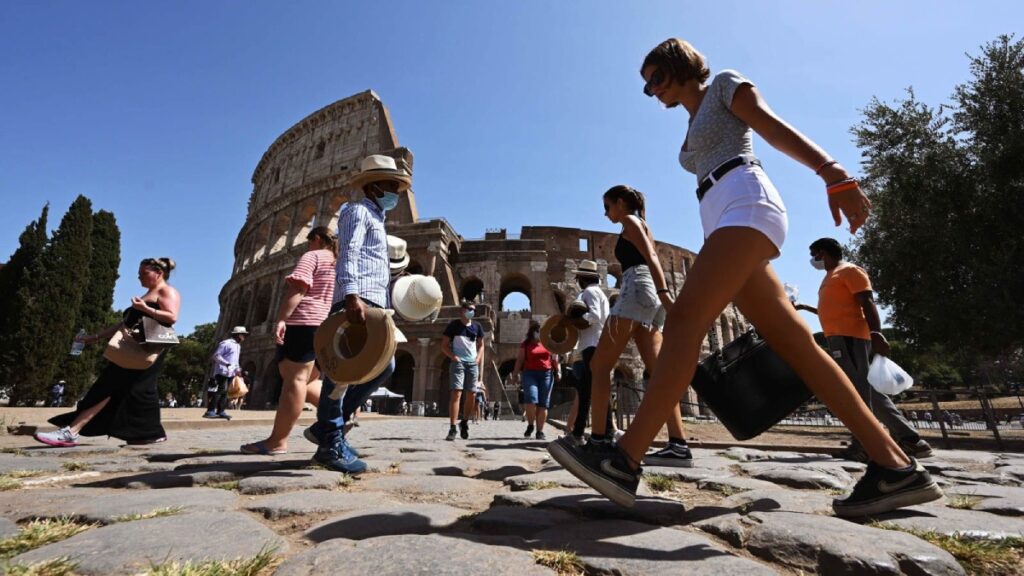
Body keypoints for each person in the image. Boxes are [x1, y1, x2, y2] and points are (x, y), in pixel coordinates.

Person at [549, 38, 941, 518]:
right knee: (800, 348)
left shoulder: (724, 87)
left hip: (746, 202)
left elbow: (772, 129)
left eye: (656, 78)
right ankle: (895, 466)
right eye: (646, 86)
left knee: (687, 321)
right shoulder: (692, 123)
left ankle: (623, 458)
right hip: (725, 217)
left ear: (681, 66)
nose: (652, 92)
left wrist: (832, 171)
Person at [559, 187, 695, 467]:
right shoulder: (643, 224)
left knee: (598, 366)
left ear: (621, 203)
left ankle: (598, 441)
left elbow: (652, 258)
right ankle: (678, 444)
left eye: (607, 206)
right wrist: (661, 297)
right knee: (658, 372)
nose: (605, 213)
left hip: (637, 289)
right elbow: (652, 257)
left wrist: (665, 295)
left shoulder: (631, 221)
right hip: (648, 295)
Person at [305, 153, 411, 474]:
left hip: (373, 301)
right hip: (356, 299)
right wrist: (351, 294)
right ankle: (329, 443)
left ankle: (328, 427)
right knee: (340, 375)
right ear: (374, 185)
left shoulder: (378, 218)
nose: (396, 191)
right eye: (391, 185)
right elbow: (348, 252)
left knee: (383, 366)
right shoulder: (355, 211)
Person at [795, 238, 933, 462]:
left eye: (814, 255)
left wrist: (877, 333)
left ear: (822, 253)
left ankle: (866, 445)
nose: (813, 260)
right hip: (840, 339)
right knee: (867, 391)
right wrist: (804, 307)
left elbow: (867, 301)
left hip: (850, 339)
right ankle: (911, 440)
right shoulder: (831, 276)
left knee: (856, 393)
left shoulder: (849, 271)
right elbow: (834, 310)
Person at [35, 257, 180, 447]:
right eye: (139, 274)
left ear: (159, 273)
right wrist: (94, 337)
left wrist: (145, 309)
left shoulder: (167, 291)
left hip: (146, 351)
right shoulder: (148, 294)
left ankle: (71, 431)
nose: (139, 277)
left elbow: (172, 316)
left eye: (144, 273)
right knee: (135, 392)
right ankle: (148, 433)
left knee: (108, 388)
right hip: (133, 350)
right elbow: (124, 324)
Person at [240, 226, 336, 455]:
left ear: (318, 239)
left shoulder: (312, 256)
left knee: (294, 380)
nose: (307, 244)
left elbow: (299, 288)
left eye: (309, 240)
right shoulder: (339, 262)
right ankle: (342, 414)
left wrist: (282, 319)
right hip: (327, 327)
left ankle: (277, 441)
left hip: (304, 322)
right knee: (310, 380)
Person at [563, 260, 611, 446]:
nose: (577, 282)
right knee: (590, 390)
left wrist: (576, 319)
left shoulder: (589, 292)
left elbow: (595, 316)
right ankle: (581, 432)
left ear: (583, 278)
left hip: (592, 345)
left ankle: (598, 434)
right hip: (597, 343)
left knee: (591, 390)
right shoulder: (602, 294)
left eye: (578, 279)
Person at [442, 301, 486, 440]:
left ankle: (465, 422)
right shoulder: (454, 326)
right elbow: (443, 345)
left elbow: (481, 345)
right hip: (458, 363)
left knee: (472, 394)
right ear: (462, 311)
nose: (472, 312)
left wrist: (478, 359)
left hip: (472, 364)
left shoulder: (477, 327)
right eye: (470, 309)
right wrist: (454, 357)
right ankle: (453, 427)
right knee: (456, 393)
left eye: (473, 310)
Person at [511, 321, 560, 440]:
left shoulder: (549, 343)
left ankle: (540, 431)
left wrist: (558, 371)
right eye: (538, 331)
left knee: (543, 404)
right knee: (531, 400)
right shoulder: (526, 344)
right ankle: (530, 424)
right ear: (533, 332)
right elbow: (520, 360)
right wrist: (515, 373)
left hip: (546, 375)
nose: (540, 334)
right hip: (529, 374)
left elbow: (555, 359)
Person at [206, 326, 247, 419]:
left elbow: (235, 361)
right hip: (222, 371)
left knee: (225, 393)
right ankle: (210, 410)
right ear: (238, 335)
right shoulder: (226, 343)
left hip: (231, 372)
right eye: (244, 335)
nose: (245, 337)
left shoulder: (238, 346)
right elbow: (216, 356)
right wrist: (226, 364)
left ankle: (221, 411)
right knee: (220, 391)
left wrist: (238, 370)